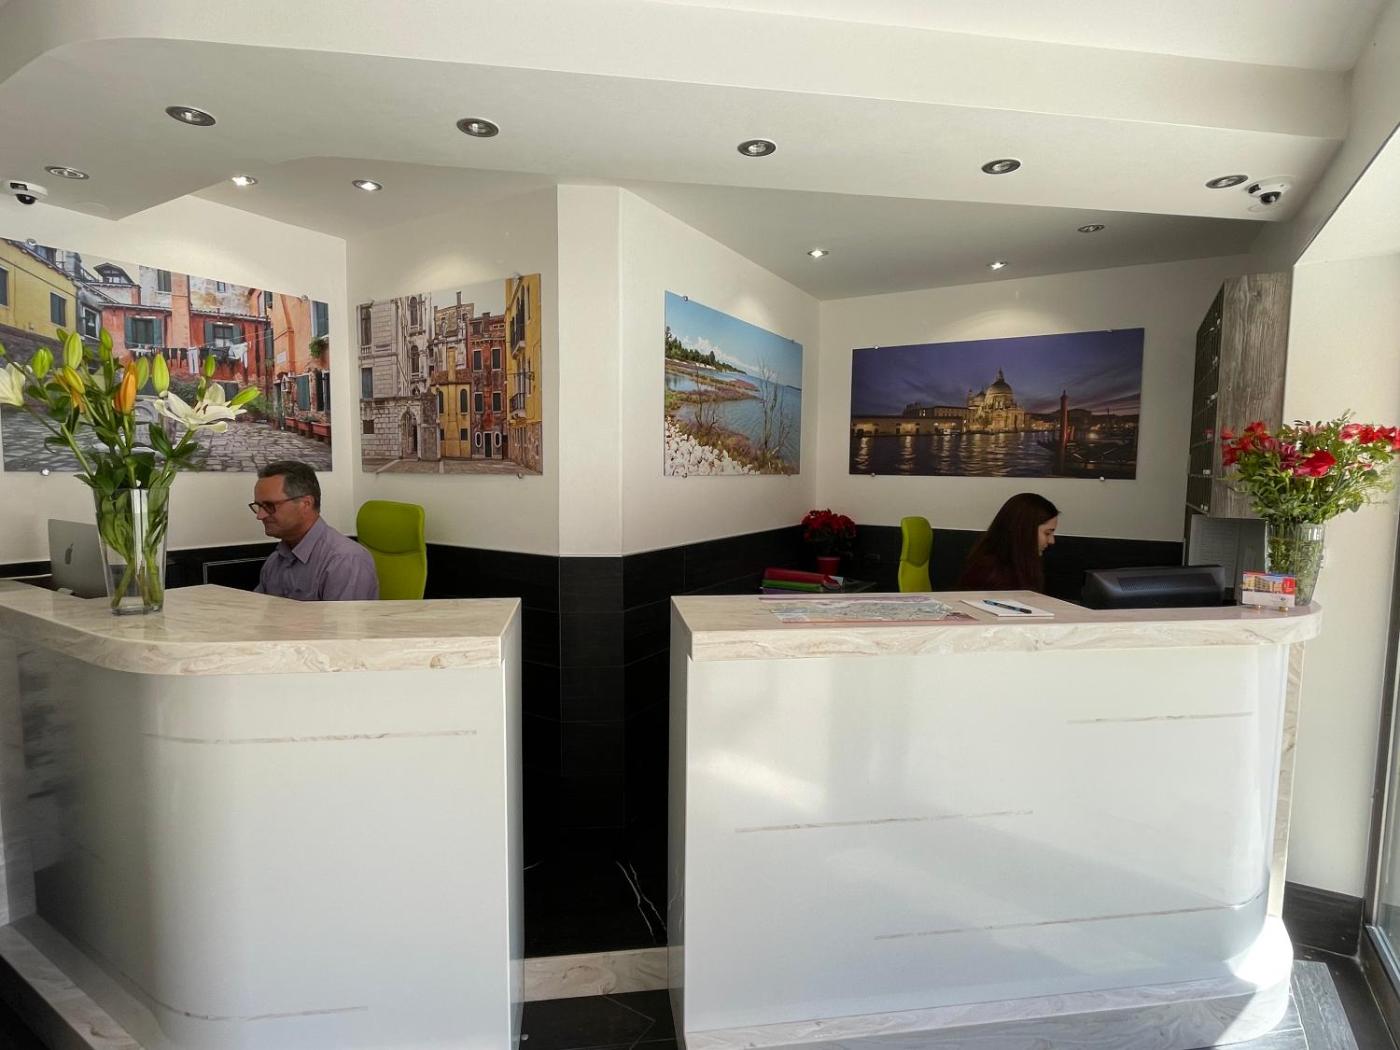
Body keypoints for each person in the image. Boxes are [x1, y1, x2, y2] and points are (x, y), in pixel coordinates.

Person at [251, 460, 379, 601]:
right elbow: (258, 610)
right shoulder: (275, 561)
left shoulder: (345, 561)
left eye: (269, 506)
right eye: (258, 506)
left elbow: (345, 617)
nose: (260, 515)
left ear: (305, 504)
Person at [957, 493, 1059, 592]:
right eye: (1047, 533)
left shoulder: (1024, 565)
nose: (1052, 541)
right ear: (1024, 530)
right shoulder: (990, 574)